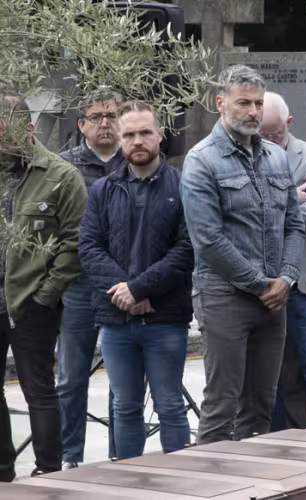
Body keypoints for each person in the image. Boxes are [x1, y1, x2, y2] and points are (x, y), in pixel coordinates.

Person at [182, 65, 305, 444]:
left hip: (273, 299)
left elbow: (294, 226)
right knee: (222, 404)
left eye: (257, 103)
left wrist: (285, 279)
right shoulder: (201, 161)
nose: (252, 112)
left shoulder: (276, 157)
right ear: (221, 104)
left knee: (261, 405)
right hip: (225, 297)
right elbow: (208, 240)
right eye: (243, 103)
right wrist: (261, 285)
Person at [79, 100, 193, 459]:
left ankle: (183, 485)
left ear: (160, 135)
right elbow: (89, 247)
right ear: (120, 140)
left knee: (170, 406)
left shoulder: (182, 186)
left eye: (145, 132)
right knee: (124, 408)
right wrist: (125, 292)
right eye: (129, 134)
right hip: (117, 320)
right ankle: (127, 486)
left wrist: (140, 288)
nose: (137, 140)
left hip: (165, 318)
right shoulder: (103, 190)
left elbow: (188, 249)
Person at [0, 94, 88, 479]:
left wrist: (45, 295)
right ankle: (3, 468)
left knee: (39, 390)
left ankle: (48, 472)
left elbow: (74, 244)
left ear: (28, 128)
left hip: (31, 301)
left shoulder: (61, 176)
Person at [55, 90, 127, 469]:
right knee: (70, 377)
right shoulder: (63, 167)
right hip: (79, 285)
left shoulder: (136, 161)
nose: (105, 123)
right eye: (96, 116)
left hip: (124, 286)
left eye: (112, 115)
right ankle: (71, 457)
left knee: (122, 378)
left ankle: (120, 455)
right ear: (81, 124)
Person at [260, 91, 306, 427]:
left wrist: (271, 209)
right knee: (272, 369)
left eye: (275, 134)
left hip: (305, 278)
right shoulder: (246, 155)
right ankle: (275, 436)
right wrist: (292, 199)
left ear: (289, 123)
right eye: (262, 135)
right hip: (264, 279)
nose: (269, 142)